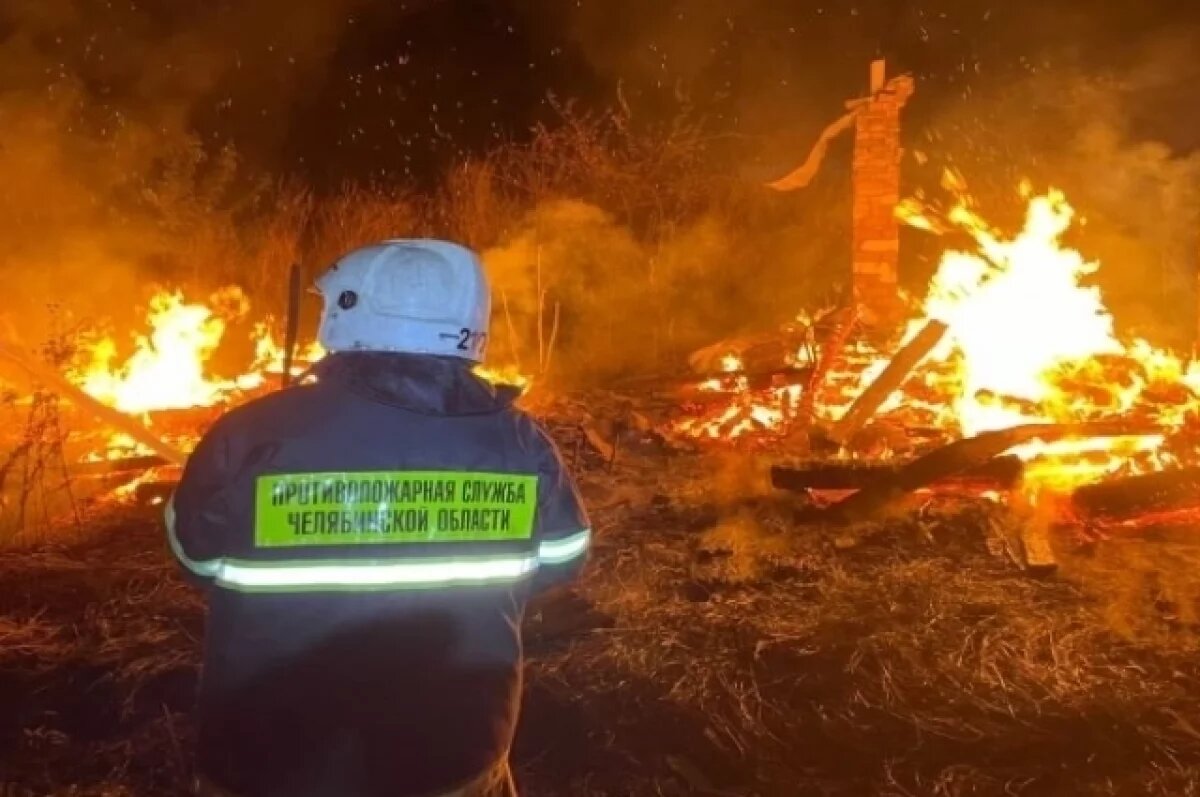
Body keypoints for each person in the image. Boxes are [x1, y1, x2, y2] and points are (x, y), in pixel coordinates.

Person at [164, 239, 591, 797]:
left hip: (266, 761)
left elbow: (193, 556)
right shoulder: (518, 442)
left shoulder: (250, 435)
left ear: (346, 311)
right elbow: (562, 559)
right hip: (454, 757)